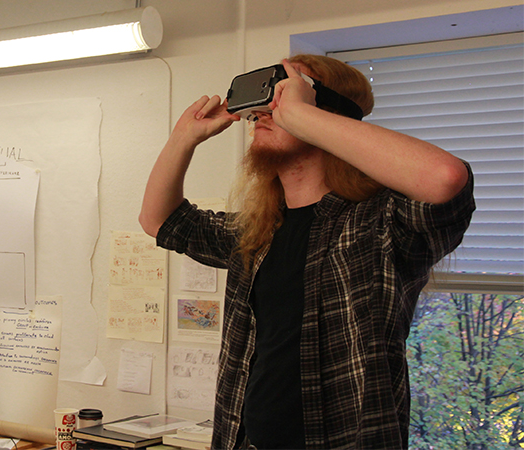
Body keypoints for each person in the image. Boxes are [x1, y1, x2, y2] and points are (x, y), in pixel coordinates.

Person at [139, 54, 475, 449]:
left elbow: (445, 178)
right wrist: (183, 137)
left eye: (282, 94)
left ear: (325, 112)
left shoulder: (381, 223)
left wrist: (299, 116)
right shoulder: (255, 230)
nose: (262, 113)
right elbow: (160, 220)